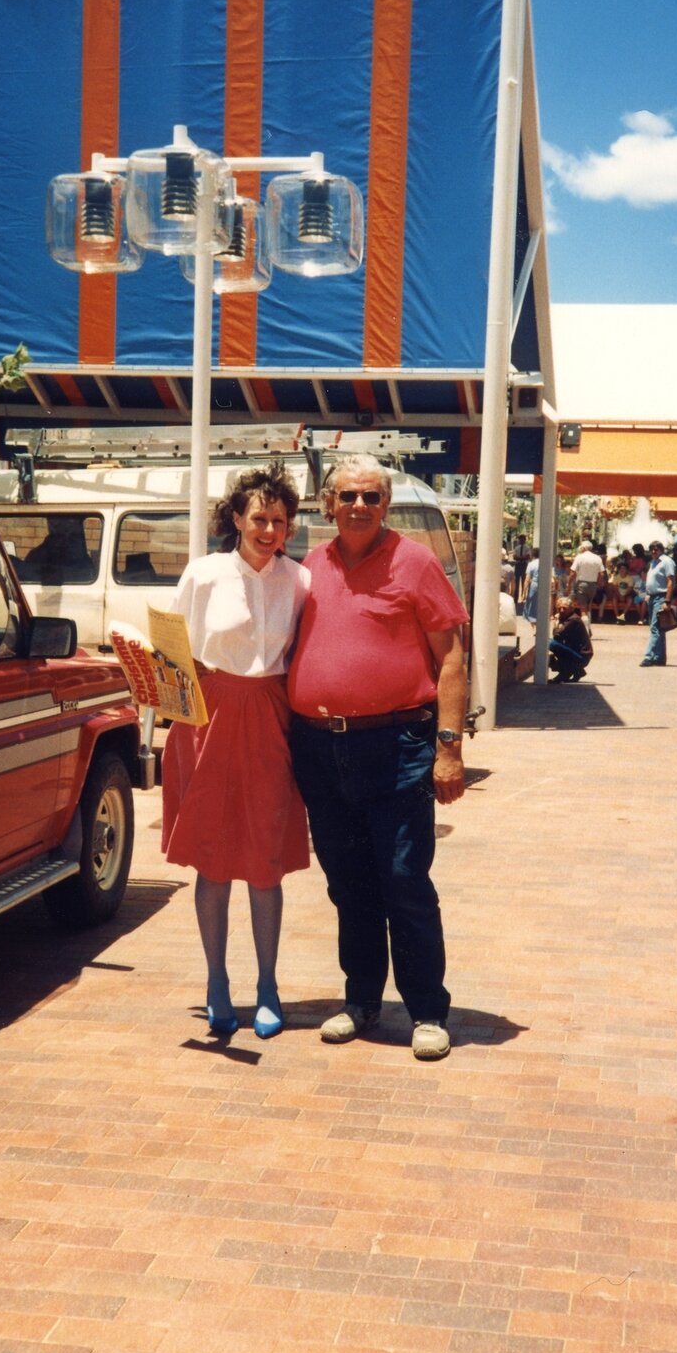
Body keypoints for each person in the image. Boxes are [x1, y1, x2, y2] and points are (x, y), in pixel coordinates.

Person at [287, 455, 468, 1062]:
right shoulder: (311, 566)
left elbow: (451, 659)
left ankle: (427, 1011)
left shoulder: (414, 564)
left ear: (386, 505)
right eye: (347, 496)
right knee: (348, 884)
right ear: (327, 504)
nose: (358, 506)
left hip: (396, 747)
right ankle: (361, 1000)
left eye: (370, 497)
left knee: (403, 880)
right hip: (320, 748)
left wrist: (449, 748)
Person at [162, 461, 310, 1040]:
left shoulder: (300, 581)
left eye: (279, 519)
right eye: (258, 517)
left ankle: (268, 985)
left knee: (265, 858)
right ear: (236, 518)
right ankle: (216, 981)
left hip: (271, 718)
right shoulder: (202, 574)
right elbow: (172, 650)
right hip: (209, 716)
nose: (269, 529)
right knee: (215, 856)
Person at [640, 539, 676, 666]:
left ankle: (648, 656)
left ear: (661, 550)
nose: (653, 551)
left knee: (655, 627)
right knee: (659, 628)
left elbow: (670, 581)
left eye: (656, 549)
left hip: (661, 597)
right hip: (652, 597)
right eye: (651, 549)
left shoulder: (667, 562)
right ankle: (660, 658)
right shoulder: (653, 563)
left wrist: (667, 600)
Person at [548, 596, 593, 682]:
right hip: (575, 653)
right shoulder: (567, 618)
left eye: (564, 608)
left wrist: (556, 622)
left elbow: (557, 635)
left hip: (582, 656)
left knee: (550, 643)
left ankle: (567, 672)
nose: (561, 610)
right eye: (559, 608)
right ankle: (577, 671)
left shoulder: (573, 620)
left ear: (571, 609)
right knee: (551, 649)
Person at [567, 538, 604, 621]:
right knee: (588, 606)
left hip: (581, 584)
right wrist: (597, 584)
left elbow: (572, 573)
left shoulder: (579, 557)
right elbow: (601, 574)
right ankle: (588, 624)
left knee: (583, 609)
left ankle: (586, 628)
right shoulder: (597, 558)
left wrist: (568, 584)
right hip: (593, 585)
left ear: (583, 548)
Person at [522, 547, 540, 624]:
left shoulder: (531, 564)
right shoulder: (544, 562)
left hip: (535, 585)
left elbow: (527, 579)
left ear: (532, 555)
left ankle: (535, 626)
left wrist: (524, 593)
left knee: (532, 605)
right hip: (544, 585)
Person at [512, 533, 531, 602]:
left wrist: (519, 558)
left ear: (525, 540)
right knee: (516, 582)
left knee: (524, 582)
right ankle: (515, 598)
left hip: (524, 565)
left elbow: (528, 556)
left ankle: (523, 597)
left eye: (523, 539)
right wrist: (522, 558)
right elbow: (514, 557)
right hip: (518, 565)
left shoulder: (527, 548)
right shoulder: (517, 548)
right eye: (520, 539)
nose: (521, 540)